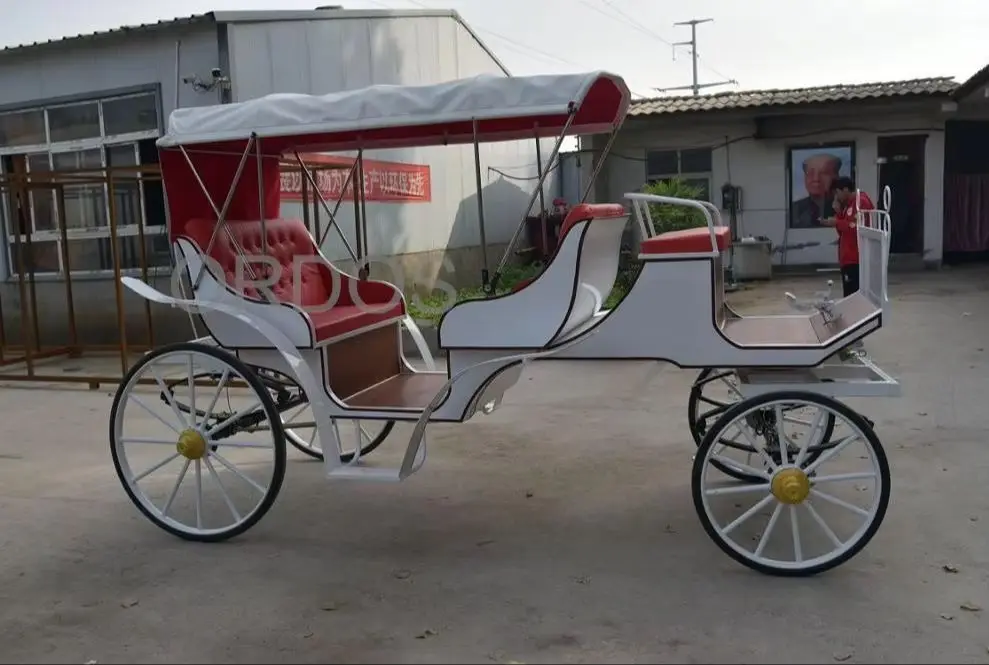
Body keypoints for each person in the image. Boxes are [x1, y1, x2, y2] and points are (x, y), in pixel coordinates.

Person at [820, 176, 875, 298]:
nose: (837, 197)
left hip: (856, 258)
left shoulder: (860, 203)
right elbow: (843, 232)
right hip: (848, 258)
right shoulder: (848, 206)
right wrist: (838, 214)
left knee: (853, 296)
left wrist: (836, 222)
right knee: (849, 295)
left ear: (845, 189)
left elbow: (855, 228)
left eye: (837, 193)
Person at [790, 153, 842, 229]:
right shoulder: (794, 209)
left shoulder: (845, 207)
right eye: (810, 173)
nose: (816, 179)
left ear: (836, 176)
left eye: (824, 173)